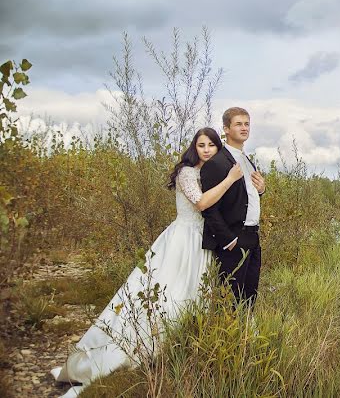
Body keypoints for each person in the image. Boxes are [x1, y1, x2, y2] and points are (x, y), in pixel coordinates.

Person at [51, 128, 244, 397]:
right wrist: (230, 179)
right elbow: (201, 204)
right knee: (171, 294)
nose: (207, 150)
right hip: (182, 240)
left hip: (202, 241)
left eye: (211, 145)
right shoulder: (187, 173)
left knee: (195, 294)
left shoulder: (210, 172)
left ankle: (180, 350)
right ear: (194, 148)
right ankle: (143, 351)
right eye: (201, 145)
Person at [200, 107, 265, 306]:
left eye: (247, 124)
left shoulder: (247, 160)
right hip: (233, 239)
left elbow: (245, 197)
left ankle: (246, 336)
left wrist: (261, 190)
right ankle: (232, 337)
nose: (244, 128)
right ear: (226, 129)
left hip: (253, 237)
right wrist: (228, 240)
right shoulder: (216, 163)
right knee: (231, 300)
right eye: (238, 124)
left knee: (250, 297)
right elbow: (208, 208)